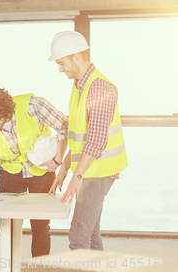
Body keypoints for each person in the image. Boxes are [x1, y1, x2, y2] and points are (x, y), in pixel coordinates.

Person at [0, 85, 68, 261]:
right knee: (9, 227)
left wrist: (58, 160)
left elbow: (64, 125)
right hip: (9, 176)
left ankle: (39, 268)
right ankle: (10, 267)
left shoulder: (33, 105)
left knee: (40, 226)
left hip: (41, 173)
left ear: (3, 109)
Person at [47, 31, 127, 250]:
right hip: (90, 169)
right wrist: (65, 167)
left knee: (79, 236)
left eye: (61, 63)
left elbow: (97, 140)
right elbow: (77, 137)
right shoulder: (79, 86)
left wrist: (77, 175)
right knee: (90, 233)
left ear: (76, 57)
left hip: (98, 171)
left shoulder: (99, 87)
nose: (60, 69)